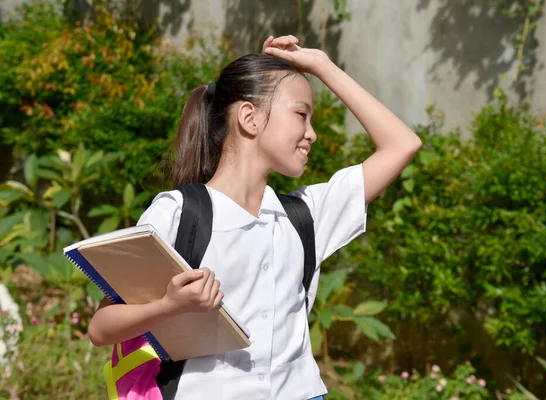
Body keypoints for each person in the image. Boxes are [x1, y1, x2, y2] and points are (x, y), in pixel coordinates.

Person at [88, 34, 422, 400]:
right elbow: (102, 329)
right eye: (301, 115)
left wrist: (322, 66)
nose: (312, 134)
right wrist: (169, 306)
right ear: (249, 117)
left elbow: (402, 144)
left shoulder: (305, 216)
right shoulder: (179, 212)